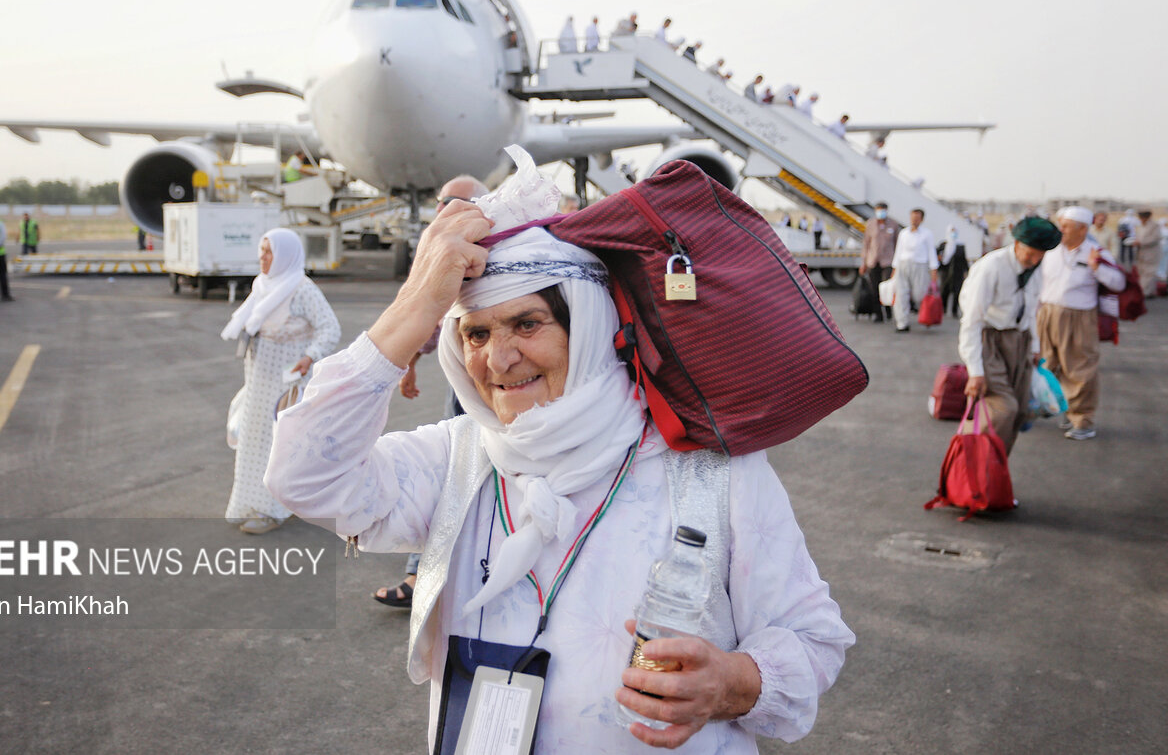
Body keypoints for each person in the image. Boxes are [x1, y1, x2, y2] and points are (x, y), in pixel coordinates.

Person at [265, 163, 853, 751]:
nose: (498, 361)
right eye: (474, 334)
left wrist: (731, 684)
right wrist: (413, 307)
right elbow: (304, 476)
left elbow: (811, 638)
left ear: (590, 326)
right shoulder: (459, 458)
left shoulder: (708, 470)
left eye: (527, 324)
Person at [374, 176, 489, 609]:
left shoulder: (496, 251)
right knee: (452, 475)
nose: (441, 210)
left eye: (453, 202)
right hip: (463, 392)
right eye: (440, 201)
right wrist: (410, 365)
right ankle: (421, 573)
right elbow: (428, 318)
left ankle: (428, 575)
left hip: (497, 391)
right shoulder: (444, 247)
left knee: (468, 480)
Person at [221, 229, 341, 533]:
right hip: (259, 380)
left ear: (286, 255)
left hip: (287, 383)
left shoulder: (302, 289)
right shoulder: (263, 286)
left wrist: (309, 356)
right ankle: (247, 503)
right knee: (253, 441)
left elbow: (330, 328)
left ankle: (270, 511)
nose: (262, 257)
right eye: (261, 250)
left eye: (269, 251)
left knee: (277, 446)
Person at [958, 218, 1062, 454]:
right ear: (1017, 243)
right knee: (1003, 409)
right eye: (1030, 254)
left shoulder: (1034, 270)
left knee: (1020, 412)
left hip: (1020, 341)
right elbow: (971, 322)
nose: (1035, 260)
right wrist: (975, 372)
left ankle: (997, 474)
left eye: (1041, 255)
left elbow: (1032, 310)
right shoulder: (991, 267)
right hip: (990, 341)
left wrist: (1034, 347)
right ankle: (975, 472)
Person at [1036, 206, 1125, 441]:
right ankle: (1062, 409)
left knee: (1079, 370)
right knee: (1046, 365)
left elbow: (1118, 283)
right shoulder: (1051, 251)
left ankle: (1082, 420)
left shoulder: (1096, 252)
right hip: (1047, 314)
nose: (1060, 230)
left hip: (1079, 318)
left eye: (1065, 226)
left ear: (1082, 229)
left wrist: (1097, 269)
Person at [890, 209, 940, 332]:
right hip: (903, 265)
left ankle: (926, 316)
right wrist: (894, 270)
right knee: (901, 295)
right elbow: (898, 252)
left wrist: (934, 272)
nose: (914, 220)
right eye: (912, 217)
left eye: (917, 218)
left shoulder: (927, 234)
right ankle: (902, 323)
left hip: (920, 266)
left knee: (920, 295)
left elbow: (931, 253)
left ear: (921, 219)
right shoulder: (904, 233)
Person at [859, 201, 901, 322]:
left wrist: (897, 264)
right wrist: (864, 262)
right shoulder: (871, 224)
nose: (881, 212)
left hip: (888, 261)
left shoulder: (893, 224)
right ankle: (878, 314)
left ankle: (888, 310)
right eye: (878, 210)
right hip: (873, 261)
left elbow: (897, 244)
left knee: (886, 287)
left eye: (882, 210)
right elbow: (866, 244)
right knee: (875, 288)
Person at [938, 224, 970, 317]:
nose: (953, 234)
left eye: (954, 231)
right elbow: (938, 257)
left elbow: (964, 259)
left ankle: (954, 310)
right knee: (944, 290)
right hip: (945, 271)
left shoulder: (960, 245)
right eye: (951, 231)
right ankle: (943, 308)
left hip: (957, 271)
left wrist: (967, 271)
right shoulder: (943, 244)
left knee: (957, 291)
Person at [1129, 210, 1162, 297]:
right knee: (1142, 272)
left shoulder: (1154, 226)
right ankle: (1150, 292)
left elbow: (1155, 238)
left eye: (1142, 217)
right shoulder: (1140, 226)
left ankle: (1143, 292)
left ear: (1147, 217)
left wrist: (1141, 242)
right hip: (1141, 253)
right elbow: (1138, 237)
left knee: (1149, 272)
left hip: (1151, 253)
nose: (1141, 219)